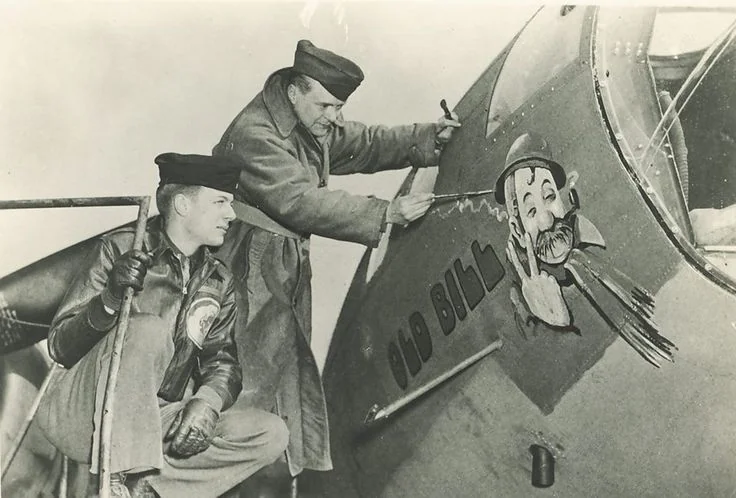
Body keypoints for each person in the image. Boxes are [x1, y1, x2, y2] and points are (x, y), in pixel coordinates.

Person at [212, 39, 461, 479]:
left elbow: (362, 144)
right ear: (294, 91)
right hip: (247, 270)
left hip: (278, 270)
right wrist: (384, 212)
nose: (335, 117)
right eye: (327, 106)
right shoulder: (255, 135)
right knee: (245, 386)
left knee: (276, 384)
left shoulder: (303, 121)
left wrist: (425, 137)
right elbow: (300, 201)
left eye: (339, 107)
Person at [36, 153, 289, 498]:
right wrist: (109, 298)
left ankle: (147, 489)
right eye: (220, 202)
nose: (231, 214)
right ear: (183, 205)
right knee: (149, 330)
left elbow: (222, 362)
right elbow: (60, 346)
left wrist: (207, 403)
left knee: (270, 433)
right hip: (86, 413)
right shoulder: (121, 248)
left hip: (154, 418)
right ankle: (124, 477)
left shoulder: (217, 279)